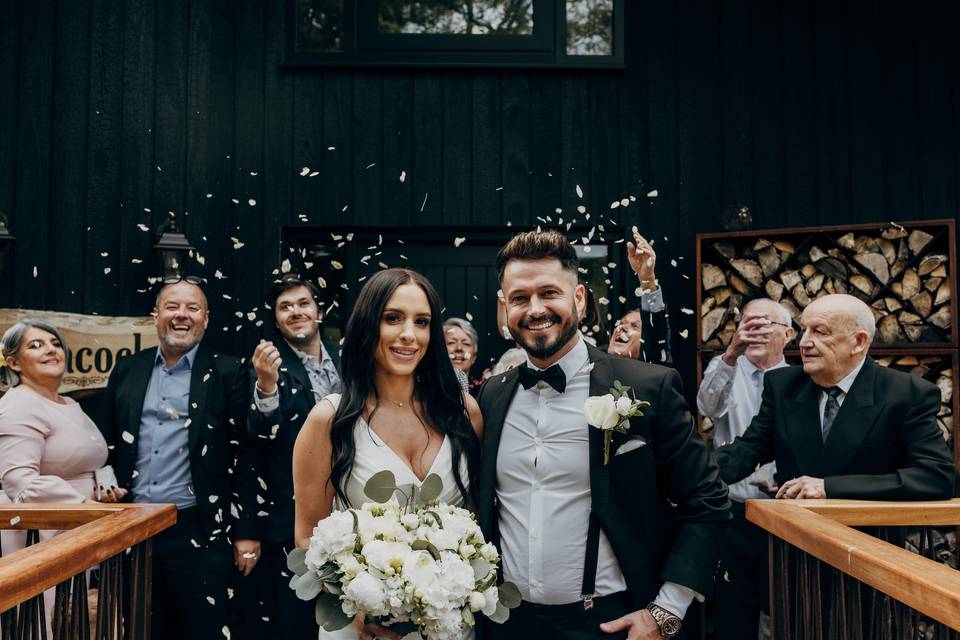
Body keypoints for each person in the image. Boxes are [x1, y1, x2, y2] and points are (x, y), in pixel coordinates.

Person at [476, 230, 730, 640]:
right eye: (520, 298)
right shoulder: (491, 394)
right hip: (506, 623)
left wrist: (665, 611)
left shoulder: (647, 388)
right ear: (505, 308)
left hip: (611, 622)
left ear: (578, 298)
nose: (535, 309)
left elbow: (708, 502)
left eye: (549, 293)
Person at [292, 268, 483, 640]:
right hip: (362, 626)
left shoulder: (464, 413)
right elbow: (306, 536)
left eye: (422, 322)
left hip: (447, 625)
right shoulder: (329, 420)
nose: (409, 334)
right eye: (392, 318)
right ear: (367, 325)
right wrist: (361, 602)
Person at [99, 276, 262, 640]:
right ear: (155, 316)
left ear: (206, 318)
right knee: (142, 628)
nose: (181, 315)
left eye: (192, 308)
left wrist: (247, 531)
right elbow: (105, 441)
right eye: (172, 307)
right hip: (133, 526)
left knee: (204, 630)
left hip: (198, 527)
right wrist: (104, 479)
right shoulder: (129, 369)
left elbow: (248, 453)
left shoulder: (228, 371)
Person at [716, 293, 954, 502]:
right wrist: (687, 476)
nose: (804, 343)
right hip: (793, 543)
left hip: (868, 541)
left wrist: (829, 488)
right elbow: (745, 452)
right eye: (804, 330)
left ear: (858, 342)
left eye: (819, 332)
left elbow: (936, 476)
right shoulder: (783, 386)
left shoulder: (906, 394)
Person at [0, 319, 124, 634]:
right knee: (36, 624)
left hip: (74, 532)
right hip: (37, 538)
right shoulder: (18, 406)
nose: (51, 350)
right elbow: (19, 482)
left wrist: (103, 490)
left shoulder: (69, 403)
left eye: (55, 343)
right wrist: (84, 504)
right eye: (35, 345)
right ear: (14, 362)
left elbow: (86, 460)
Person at [248, 274, 341, 639]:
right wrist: (266, 387)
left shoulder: (348, 355)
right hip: (293, 512)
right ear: (276, 319)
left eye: (303, 304)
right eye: (285, 307)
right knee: (296, 619)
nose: (295, 312)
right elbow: (256, 437)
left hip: (351, 500)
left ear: (318, 311)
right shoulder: (265, 364)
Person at [697, 299, 795, 640]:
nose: (755, 330)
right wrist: (730, 355)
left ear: (788, 334)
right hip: (735, 511)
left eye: (765, 323)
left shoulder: (798, 379)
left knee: (783, 606)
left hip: (784, 510)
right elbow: (707, 406)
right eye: (748, 322)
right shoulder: (725, 366)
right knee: (732, 606)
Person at [608, 227, 673, 365]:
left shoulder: (651, 376)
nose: (622, 328)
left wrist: (647, 279)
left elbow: (655, 333)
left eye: (635, 326)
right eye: (621, 323)